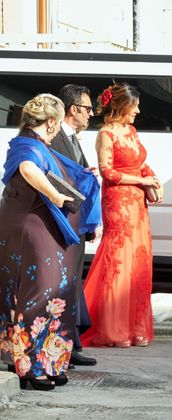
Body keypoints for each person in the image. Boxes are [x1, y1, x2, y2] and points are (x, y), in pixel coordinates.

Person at [0, 93, 101, 389]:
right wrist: (55, 195)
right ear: (53, 122)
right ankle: (30, 365)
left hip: (40, 229)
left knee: (55, 293)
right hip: (28, 231)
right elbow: (29, 169)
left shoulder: (37, 144)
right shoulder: (26, 146)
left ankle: (48, 360)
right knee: (38, 293)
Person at [81, 83, 163, 348]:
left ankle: (135, 328)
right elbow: (108, 173)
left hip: (138, 203)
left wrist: (154, 180)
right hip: (117, 201)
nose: (138, 111)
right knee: (119, 261)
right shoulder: (105, 133)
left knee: (137, 260)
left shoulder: (131, 130)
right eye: (135, 106)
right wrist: (141, 182)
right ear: (122, 106)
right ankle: (114, 329)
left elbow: (140, 163)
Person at [50, 84, 98, 367]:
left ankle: (72, 343)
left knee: (73, 280)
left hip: (76, 221)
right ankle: (65, 344)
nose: (91, 114)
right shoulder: (56, 138)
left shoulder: (75, 139)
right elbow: (57, 178)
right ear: (73, 109)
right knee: (63, 282)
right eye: (88, 108)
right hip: (63, 220)